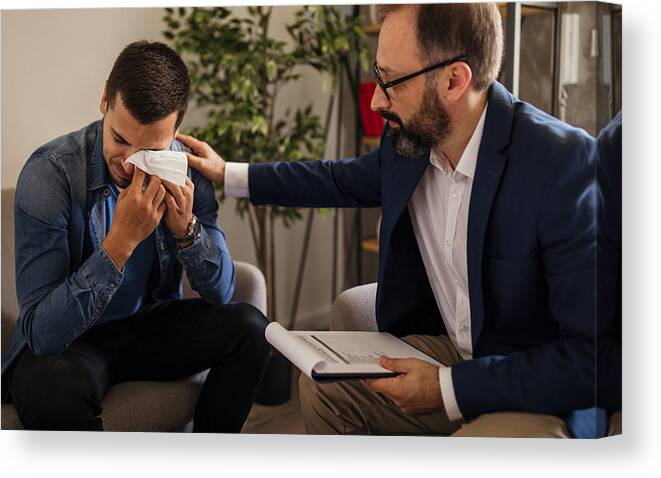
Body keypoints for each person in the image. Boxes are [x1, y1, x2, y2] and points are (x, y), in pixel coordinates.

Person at [178, 4, 614, 437]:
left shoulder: (561, 162)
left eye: (390, 81)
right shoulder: (411, 143)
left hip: (532, 387)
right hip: (455, 353)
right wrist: (227, 174)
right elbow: (337, 180)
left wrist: (447, 387)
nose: (375, 99)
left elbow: (591, 360)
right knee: (324, 389)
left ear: (453, 80)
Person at [1, 41, 270, 432]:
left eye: (150, 150)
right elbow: (42, 335)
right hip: (74, 342)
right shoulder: (50, 175)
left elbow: (222, 293)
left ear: (176, 131)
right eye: (120, 139)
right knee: (52, 386)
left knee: (251, 328)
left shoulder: (186, 172)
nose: (129, 162)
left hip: (147, 327)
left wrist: (187, 231)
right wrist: (119, 245)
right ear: (105, 100)